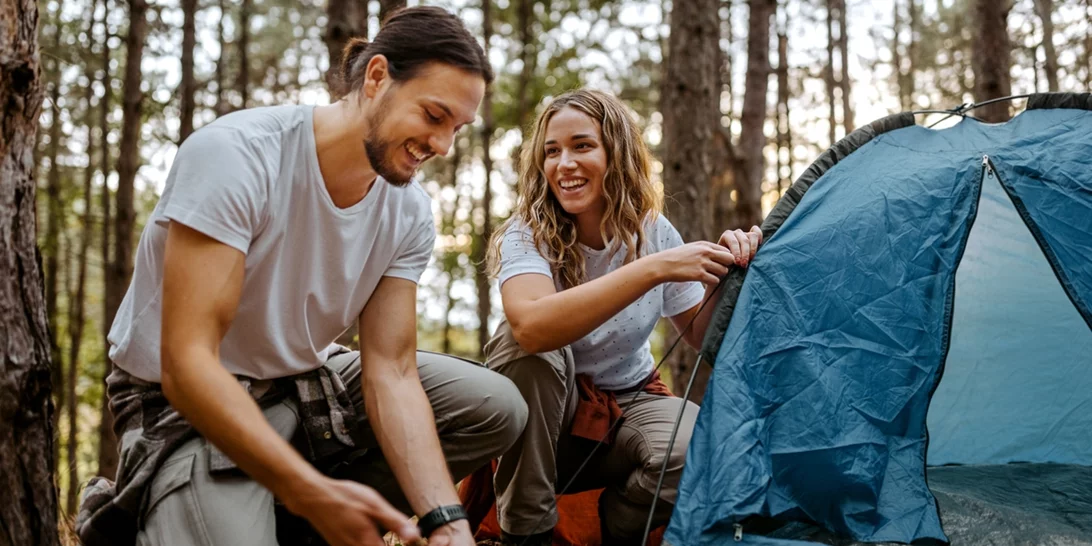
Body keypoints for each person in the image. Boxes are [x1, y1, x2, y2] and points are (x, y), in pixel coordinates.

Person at [75, 7, 527, 546]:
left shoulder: (408, 211)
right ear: (377, 77)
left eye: (457, 127)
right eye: (433, 115)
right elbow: (187, 363)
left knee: (494, 407)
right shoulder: (237, 156)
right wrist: (309, 489)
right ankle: (197, 506)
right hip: (184, 404)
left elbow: (393, 371)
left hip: (304, 383)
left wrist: (446, 523)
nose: (444, 145)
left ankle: (296, 518)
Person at [482, 89, 762, 545]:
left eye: (582, 145)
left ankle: (609, 527)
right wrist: (652, 269)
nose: (564, 164)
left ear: (618, 153)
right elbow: (530, 327)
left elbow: (705, 338)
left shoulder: (652, 231)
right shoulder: (526, 233)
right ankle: (527, 534)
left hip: (628, 404)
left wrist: (728, 275)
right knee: (526, 350)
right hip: (546, 420)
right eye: (551, 151)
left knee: (701, 449)